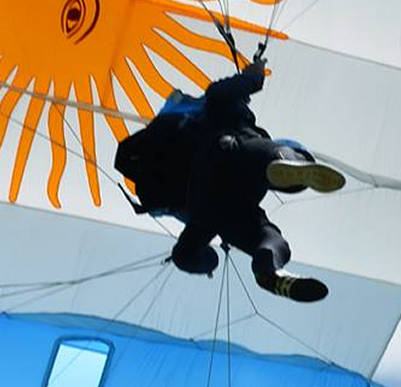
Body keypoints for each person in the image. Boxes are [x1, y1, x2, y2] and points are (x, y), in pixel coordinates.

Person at [115, 57, 346, 303]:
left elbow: (219, 93)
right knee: (267, 210)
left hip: (207, 201)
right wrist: (255, 75)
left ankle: (269, 270)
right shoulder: (230, 122)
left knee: (261, 226)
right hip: (225, 174)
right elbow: (219, 94)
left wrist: (253, 78)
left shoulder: (210, 117)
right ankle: (289, 167)